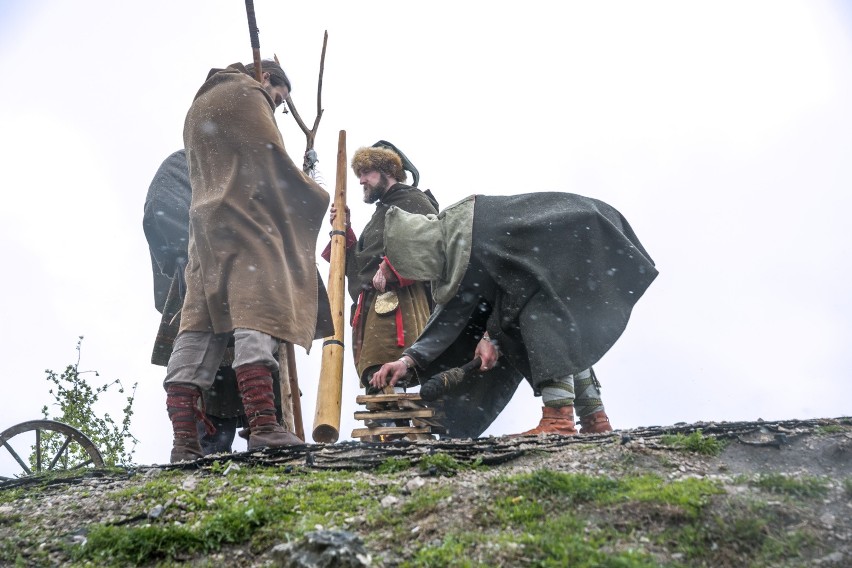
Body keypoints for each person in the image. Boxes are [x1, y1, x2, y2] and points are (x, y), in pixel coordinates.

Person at [369, 192, 658, 437]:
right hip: (587, 240)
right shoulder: (458, 239)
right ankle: (595, 419)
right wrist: (408, 360)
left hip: (584, 240)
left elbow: (516, 292)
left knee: (539, 317)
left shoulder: (475, 235)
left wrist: (490, 336)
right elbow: (452, 315)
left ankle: (559, 419)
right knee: (558, 326)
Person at [163, 59, 332, 463]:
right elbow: (270, 160)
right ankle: (263, 428)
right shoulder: (248, 93)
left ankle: (184, 444)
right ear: (268, 79)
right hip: (248, 225)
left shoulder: (198, 106)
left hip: (204, 231)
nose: (277, 106)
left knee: (198, 327)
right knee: (257, 315)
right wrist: (312, 189)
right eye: (279, 98)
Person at [144, 149, 291, 455]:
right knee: (208, 391)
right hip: (203, 287)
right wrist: (190, 255)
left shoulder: (245, 167)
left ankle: (265, 441)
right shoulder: (184, 164)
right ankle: (196, 453)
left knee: (258, 361)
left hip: (249, 286)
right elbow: (162, 208)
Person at [324, 142, 438, 392]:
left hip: (398, 301)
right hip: (372, 306)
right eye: (359, 174)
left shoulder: (412, 200)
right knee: (375, 374)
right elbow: (361, 267)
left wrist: (393, 268)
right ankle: (385, 428)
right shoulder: (380, 213)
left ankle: (395, 426)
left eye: (366, 172)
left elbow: (431, 241)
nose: (361, 180)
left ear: (388, 171)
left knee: (391, 369)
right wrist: (344, 229)